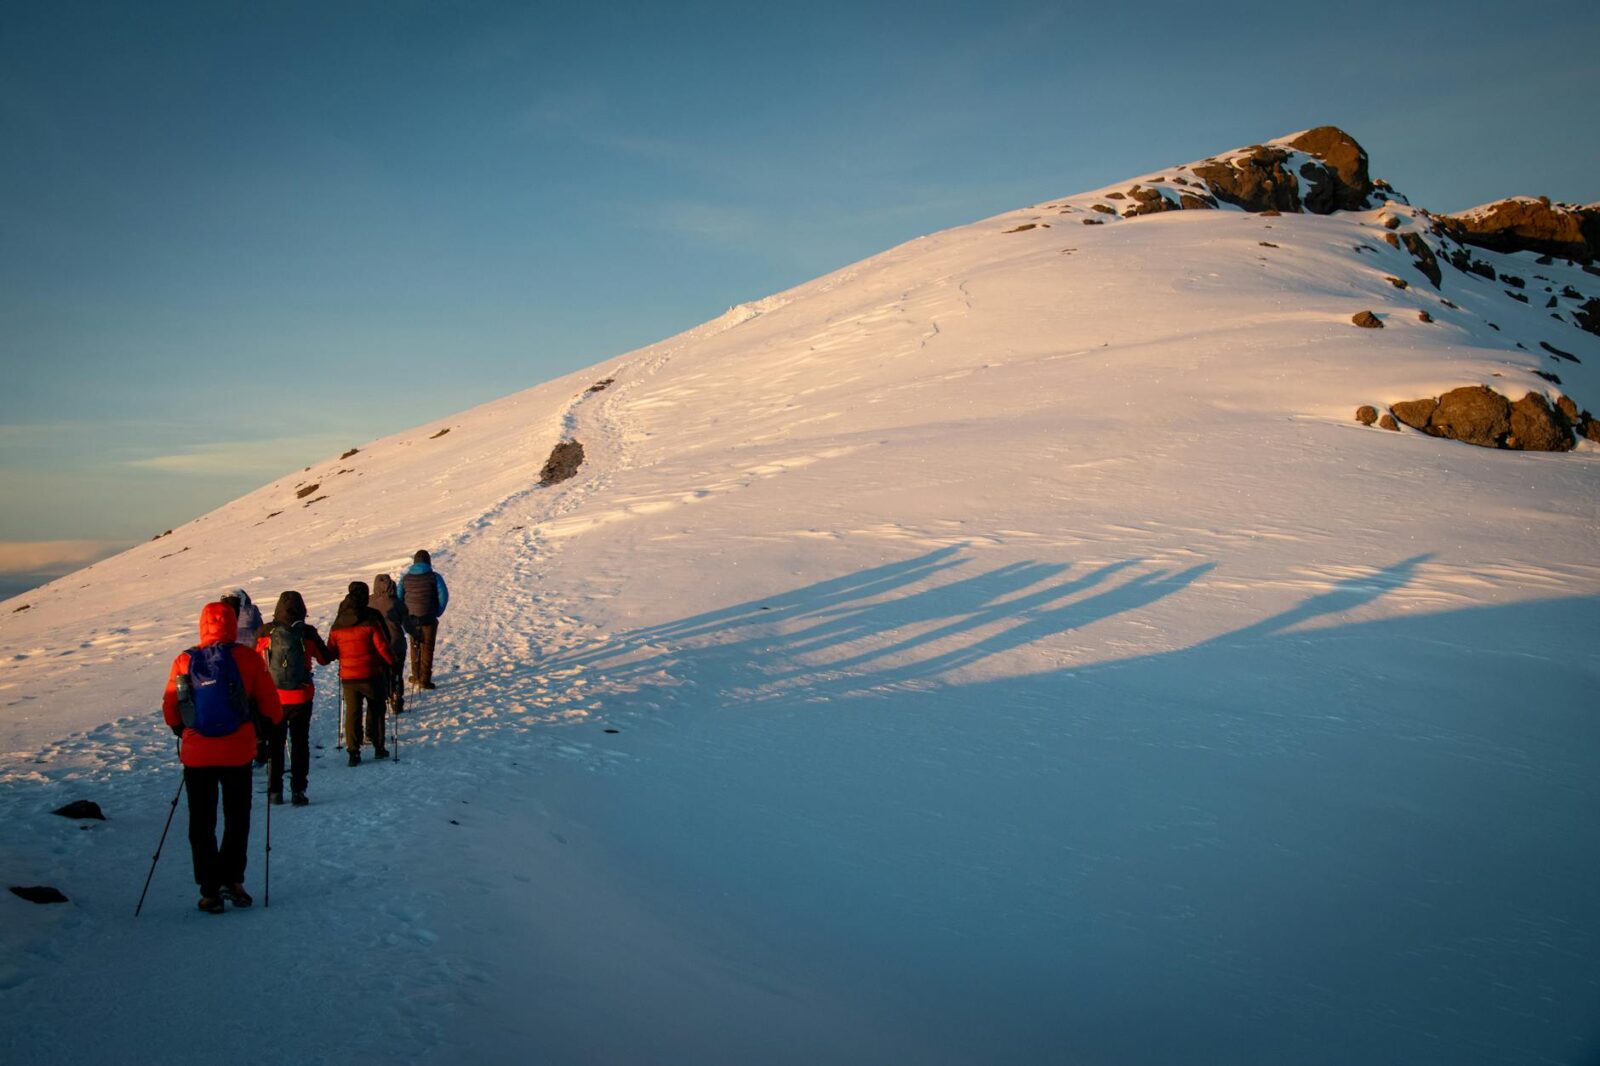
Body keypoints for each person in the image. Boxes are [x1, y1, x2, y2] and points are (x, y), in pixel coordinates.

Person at [161, 601, 283, 914]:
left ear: (202, 624)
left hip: (197, 754)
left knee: (201, 822)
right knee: (236, 816)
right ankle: (233, 880)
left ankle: (208, 891)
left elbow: (171, 708)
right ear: (231, 623)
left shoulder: (184, 660)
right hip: (237, 750)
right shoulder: (246, 658)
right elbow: (271, 706)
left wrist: (183, 732)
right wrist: (265, 729)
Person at [254, 591, 331, 806]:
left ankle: (275, 791)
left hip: (274, 698)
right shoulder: (306, 632)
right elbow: (324, 658)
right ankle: (298, 790)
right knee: (299, 743)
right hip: (301, 696)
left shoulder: (266, 632)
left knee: (276, 743)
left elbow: (254, 659)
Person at [325, 581, 394, 767]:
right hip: (372, 673)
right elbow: (382, 647)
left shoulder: (338, 623)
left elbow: (331, 651)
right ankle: (379, 747)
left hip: (349, 677)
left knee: (353, 714)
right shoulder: (371, 618)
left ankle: (353, 753)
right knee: (377, 709)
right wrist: (391, 663)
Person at [399, 549, 448, 689]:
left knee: (415, 646)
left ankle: (415, 675)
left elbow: (399, 596)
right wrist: (437, 612)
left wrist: (404, 615)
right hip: (429, 618)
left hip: (411, 619)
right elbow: (443, 596)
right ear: (428, 562)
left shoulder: (405, 578)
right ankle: (424, 680)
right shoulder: (434, 577)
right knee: (427, 648)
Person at [369, 573, 409, 716]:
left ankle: (385, 693)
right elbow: (406, 621)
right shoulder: (396, 602)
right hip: (397, 642)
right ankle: (397, 695)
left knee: (383, 671)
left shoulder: (369, 602)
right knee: (397, 671)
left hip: (377, 645)